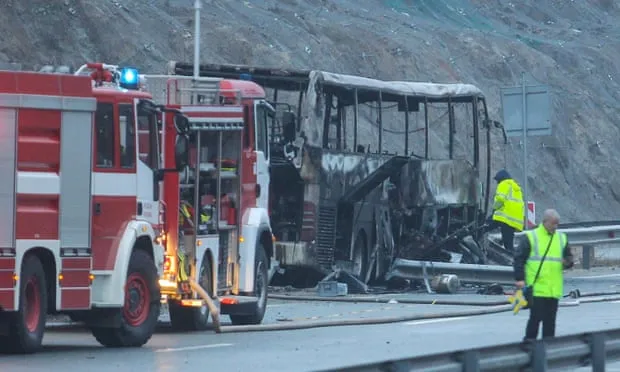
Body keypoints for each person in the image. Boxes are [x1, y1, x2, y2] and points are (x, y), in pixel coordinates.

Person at [513, 208, 574, 340]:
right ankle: (529, 347)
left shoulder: (561, 238)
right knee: (535, 320)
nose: (555, 227)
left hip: (553, 289)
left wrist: (567, 263)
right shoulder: (531, 237)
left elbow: (569, 258)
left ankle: (547, 351)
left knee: (550, 324)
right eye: (553, 223)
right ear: (545, 222)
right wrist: (520, 279)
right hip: (536, 289)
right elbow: (519, 258)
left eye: (557, 224)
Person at [487, 169, 524, 251]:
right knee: (509, 243)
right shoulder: (516, 188)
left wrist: (494, 210)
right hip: (513, 220)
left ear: (501, 179)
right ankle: (512, 259)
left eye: (498, 181)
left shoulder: (504, 184)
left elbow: (500, 199)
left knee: (485, 226)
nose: (497, 183)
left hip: (504, 217)